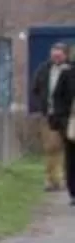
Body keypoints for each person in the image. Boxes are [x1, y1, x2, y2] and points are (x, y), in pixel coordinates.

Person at [47, 44, 75, 205]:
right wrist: (63, 120)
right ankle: (74, 191)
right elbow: (58, 97)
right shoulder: (68, 73)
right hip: (71, 121)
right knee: (72, 156)